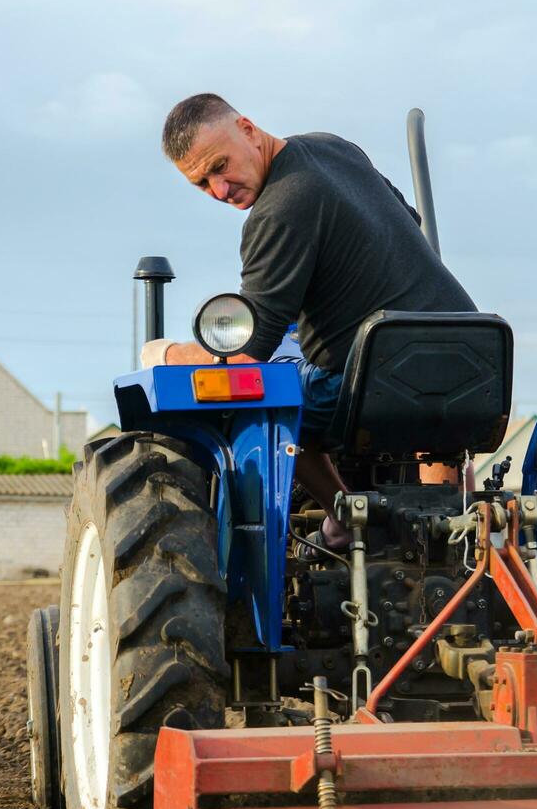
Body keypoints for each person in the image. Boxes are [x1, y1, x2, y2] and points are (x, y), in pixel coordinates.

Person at [144, 93, 476, 549]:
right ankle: (449, 531)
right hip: (473, 365)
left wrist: (166, 353)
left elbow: (245, 353)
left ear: (247, 128)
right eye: (202, 184)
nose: (219, 190)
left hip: (373, 385)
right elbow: (409, 219)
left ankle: (344, 516)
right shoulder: (332, 147)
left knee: (264, 389)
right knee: (424, 405)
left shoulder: (278, 209)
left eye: (220, 166)